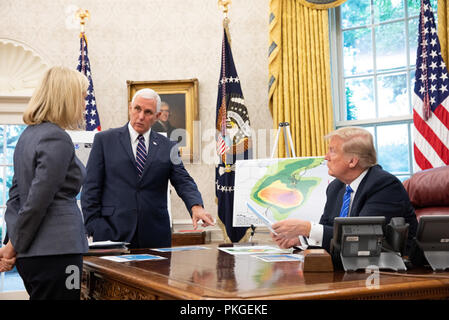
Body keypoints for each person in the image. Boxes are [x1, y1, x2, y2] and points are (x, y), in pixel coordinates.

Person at [81, 88, 214, 249]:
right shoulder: (104, 140)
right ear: (130, 107)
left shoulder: (168, 146)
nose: (141, 116)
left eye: (148, 112)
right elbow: (91, 187)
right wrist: (94, 226)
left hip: (155, 235)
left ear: (157, 116)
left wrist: (196, 206)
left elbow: (183, 181)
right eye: (137, 109)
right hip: (111, 233)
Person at [0, 66, 89, 299]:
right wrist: (12, 246)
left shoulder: (27, 135)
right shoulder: (56, 137)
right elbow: (37, 201)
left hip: (35, 255)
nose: (84, 104)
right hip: (58, 253)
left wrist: (13, 243)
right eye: (82, 97)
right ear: (67, 98)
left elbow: (16, 198)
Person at [271, 126, 418, 254]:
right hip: (350, 267)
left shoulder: (384, 186)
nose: (326, 157)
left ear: (352, 161)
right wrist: (300, 239)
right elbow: (329, 230)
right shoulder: (336, 187)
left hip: (390, 275)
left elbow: (361, 239)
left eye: (332, 151)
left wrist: (307, 228)